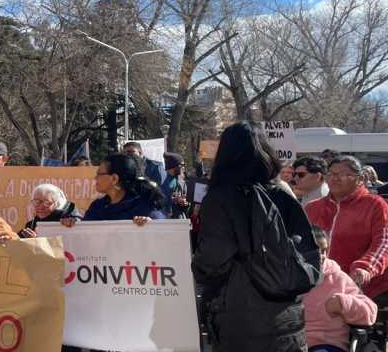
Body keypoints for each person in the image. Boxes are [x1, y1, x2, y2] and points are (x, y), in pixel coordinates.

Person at [193, 121, 318, 352]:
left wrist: (197, 266)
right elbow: (309, 254)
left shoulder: (220, 198)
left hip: (241, 318)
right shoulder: (283, 194)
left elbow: (213, 261)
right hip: (289, 316)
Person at [306, 156, 388, 301]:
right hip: (322, 288)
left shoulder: (376, 205)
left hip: (367, 289)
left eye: (342, 174)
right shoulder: (312, 208)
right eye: (331, 173)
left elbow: (383, 243)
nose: (334, 178)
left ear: (360, 179)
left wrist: (365, 267)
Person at [303, 226, 377, 352]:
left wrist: (343, 304)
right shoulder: (285, 277)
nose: (322, 256)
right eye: (315, 250)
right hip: (289, 343)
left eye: (324, 250)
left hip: (325, 344)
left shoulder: (337, 278)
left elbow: (370, 312)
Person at [66, 153, 165, 226]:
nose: (95, 178)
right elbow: (86, 233)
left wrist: (150, 225)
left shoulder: (143, 206)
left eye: (99, 174)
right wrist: (74, 224)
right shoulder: (98, 206)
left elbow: (163, 231)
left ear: (114, 179)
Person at [161, 152, 190, 219]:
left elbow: (186, 204)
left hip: (180, 219)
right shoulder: (162, 180)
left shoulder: (181, 181)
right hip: (166, 219)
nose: (183, 167)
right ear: (173, 166)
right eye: (181, 165)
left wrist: (185, 203)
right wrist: (173, 200)